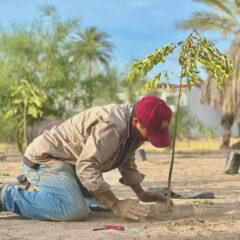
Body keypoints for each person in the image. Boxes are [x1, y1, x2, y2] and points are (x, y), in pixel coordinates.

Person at [0, 95, 172, 221]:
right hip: (46, 159)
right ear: (136, 122)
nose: (150, 138)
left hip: (70, 165)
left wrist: (141, 193)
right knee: (73, 210)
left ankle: (43, 188)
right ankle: (6, 195)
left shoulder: (136, 131)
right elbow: (87, 167)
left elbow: (126, 159)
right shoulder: (111, 125)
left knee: (101, 203)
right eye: (150, 133)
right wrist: (116, 205)